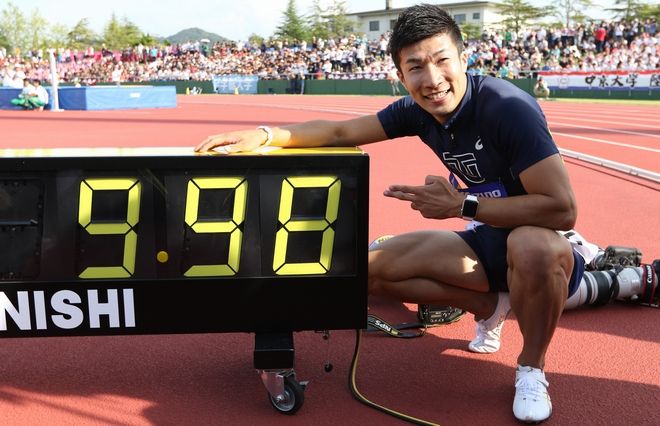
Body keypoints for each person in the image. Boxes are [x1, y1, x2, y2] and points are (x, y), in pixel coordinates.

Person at [195, 5, 588, 423]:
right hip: (486, 238)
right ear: (401, 76)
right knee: (366, 273)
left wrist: (462, 205)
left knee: (532, 247)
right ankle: (492, 307)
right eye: (415, 67)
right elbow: (341, 131)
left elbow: (562, 209)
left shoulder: (507, 107)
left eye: (442, 60)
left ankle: (531, 368)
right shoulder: (417, 111)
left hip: (538, 239)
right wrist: (265, 135)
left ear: (464, 59)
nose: (432, 79)